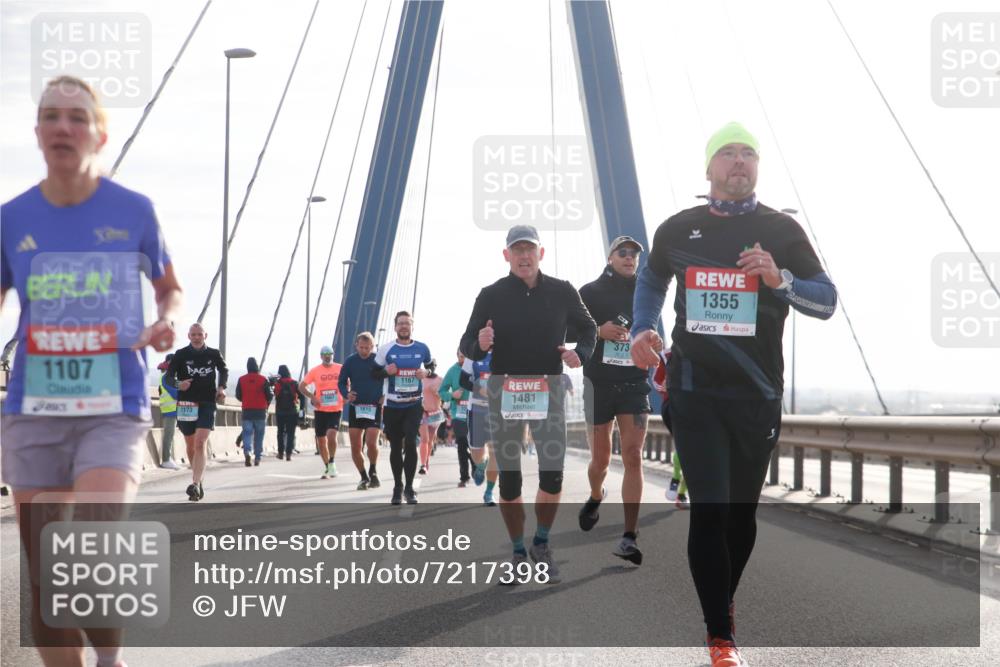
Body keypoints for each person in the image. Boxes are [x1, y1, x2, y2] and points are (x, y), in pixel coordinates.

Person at [630, 121, 837, 666]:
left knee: (740, 518)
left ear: (758, 167)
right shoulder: (678, 229)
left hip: (758, 394)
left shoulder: (782, 230)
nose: (739, 161)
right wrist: (641, 327)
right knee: (710, 508)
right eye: (728, 153)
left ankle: (721, 604)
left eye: (748, 153)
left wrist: (780, 280)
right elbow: (651, 281)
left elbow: (827, 301)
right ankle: (720, 638)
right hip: (694, 390)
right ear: (709, 169)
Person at [1, 75, 181, 667]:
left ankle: (109, 659)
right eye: (51, 115)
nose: (62, 126)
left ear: (100, 134)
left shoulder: (134, 212)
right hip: (34, 406)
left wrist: (163, 321)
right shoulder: (12, 218)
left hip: (115, 402)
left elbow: (170, 289)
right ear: (36, 133)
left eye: (76, 117)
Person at [459, 225, 597, 583]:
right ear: (506, 255)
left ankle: (542, 543)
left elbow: (589, 328)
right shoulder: (490, 295)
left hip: (548, 389)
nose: (523, 256)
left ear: (541, 254)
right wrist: (481, 342)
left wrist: (579, 353)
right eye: (516, 250)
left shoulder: (563, 291)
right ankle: (518, 551)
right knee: (510, 481)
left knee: (553, 477)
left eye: (529, 250)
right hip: (504, 391)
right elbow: (467, 343)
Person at [574, 235, 651, 565]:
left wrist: (654, 340)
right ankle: (595, 495)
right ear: (610, 257)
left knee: (633, 456)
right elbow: (566, 331)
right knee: (601, 462)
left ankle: (629, 537)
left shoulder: (646, 292)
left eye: (634, 254)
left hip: (634, 383)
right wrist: (597, 330)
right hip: (599, 383)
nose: (629, 257)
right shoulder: (589, 292)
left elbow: (653, 330)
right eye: (623, 252)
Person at [373, 311, 432, 505]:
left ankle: (409, 488)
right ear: (395, 327)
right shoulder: (385, 349)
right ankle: (397, 487)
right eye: (400, 323)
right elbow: (373, 372)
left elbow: (432, 365)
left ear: (412, 327)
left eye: (407, 323)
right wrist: (385, 371)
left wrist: (426, 371)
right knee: (396, 446)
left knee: (410, 443)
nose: (404, 326)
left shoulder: (422, 348)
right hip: (392, 405)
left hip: (414, 404)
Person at [168, 323, 227, 501]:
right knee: (191, 445)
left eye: (199, 334)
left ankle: (194, 483)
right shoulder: (181, 354)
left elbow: (223, 369)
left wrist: (221, 388)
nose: (196, 337)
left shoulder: (213, 354)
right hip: (187, 403)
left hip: (207, 402)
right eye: (193, 334)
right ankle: (199, 481)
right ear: (188, 336)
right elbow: (168, 378)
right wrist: (179, 384)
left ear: (205, 335)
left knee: (201, 443)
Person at [338, 332, 383, 490]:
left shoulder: (378, 360)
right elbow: (341, 382)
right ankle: (364, 477)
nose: (364, 351)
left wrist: (385, 395)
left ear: (372, 346)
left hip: (374, 407)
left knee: (371, 442)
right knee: (356, 447)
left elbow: (390, 378)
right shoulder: (350, 361)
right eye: (361, 347)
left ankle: (373, 470)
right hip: (356, 407)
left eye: (368, 348)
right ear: (356, 345)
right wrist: (346, 394)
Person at [459, 351, 499, 505]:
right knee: (477, 453)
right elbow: (463, 381)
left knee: (496, 452)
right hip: (476, 409)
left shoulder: (506, 352)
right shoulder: (473, 355)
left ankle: (489, 493)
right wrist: (478, 388)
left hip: (498, 411)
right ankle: (481, 465)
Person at [301, 345, 343, 479]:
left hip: (335, 409)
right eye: (324, 354)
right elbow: (301, 386)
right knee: (321, 441)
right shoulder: (315, 371)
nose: (327, 356)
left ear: (333, 355)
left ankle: (332, 461)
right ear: (321, 356)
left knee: (331, 436)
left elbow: (349, 384)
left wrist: (346, 396)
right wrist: (312, 397)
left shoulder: (340, 368)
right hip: (320, 410)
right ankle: (327, 467)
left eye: (329, 353)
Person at [653, 350, 688, 508]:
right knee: (684, 446)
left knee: (694, 453)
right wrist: (664, 388)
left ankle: (681, 493)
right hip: (674, 406)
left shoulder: (709, 350)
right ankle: (675, 479)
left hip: (703, 407)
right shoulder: (667, 356)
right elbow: (655, 380)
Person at [439, 349, 472, 487]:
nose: (463, 360)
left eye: (466, 357)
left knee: (475, 444)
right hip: (458, 412)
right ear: (457, 356)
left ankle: (477, 465)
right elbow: (441, 391)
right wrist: (452, 395)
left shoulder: (476, 368)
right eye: (461, 356)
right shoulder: (452, 370)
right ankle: (464, 476)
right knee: (462, 444)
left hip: (476, 410)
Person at [236, 357, 273, 467]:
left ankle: (247, 452)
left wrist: (246, 399)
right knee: (259, 435)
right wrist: (265, 403)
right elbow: (270, 395)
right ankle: (257, 457)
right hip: (261, 411)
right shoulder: (263, 379)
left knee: (247, 433)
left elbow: (238, 395)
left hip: (247, 411)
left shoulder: (241, 379)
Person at [272, 364, 304, 461]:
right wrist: (301, 409)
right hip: (292, 412)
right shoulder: (294, 383)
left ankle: (281, 453)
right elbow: (302, 397)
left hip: (280, 411)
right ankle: (289, 454)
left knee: (280, 432)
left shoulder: (277, 384)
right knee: (291, 433)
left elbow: (274, 395)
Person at [419, 359, 444, 474]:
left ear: (436, 366)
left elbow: (445, 396)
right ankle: (423, 465)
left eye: (432, 365)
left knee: (430, 440)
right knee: (424, 439)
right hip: (422, 412)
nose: (430, 367)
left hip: (435, 413)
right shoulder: (420, 379)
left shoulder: (440, 380)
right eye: (427, 365)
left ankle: (427, 460)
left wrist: (439, 393)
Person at [157, 354, 181, 470]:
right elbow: (175, 393)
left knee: (170, 435)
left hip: (171, 409)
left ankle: (169, 459)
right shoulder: (168, 377)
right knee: (168, 435)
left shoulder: (167, 375)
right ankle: (166, 460)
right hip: (170, 409)